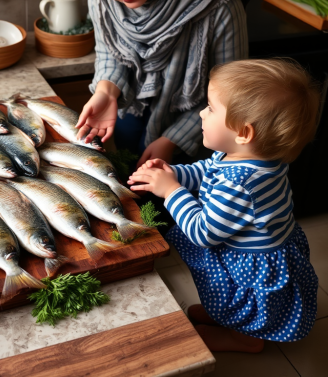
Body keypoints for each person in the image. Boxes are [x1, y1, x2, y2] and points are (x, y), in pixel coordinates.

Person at [127, 59, 320, 352]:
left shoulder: (240, 184)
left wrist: (171, 191)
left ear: (244, 132)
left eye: (211, 108)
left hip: (249, 264)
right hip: (258, 249)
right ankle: (228, 318)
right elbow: (207, 170)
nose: (202, 113)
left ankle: (245, 337)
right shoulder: (248, 156)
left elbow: (203, 231)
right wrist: (175, 173)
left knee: (241, 301)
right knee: (227, 299)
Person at [76, 0, 248, 166]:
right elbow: (109, 52)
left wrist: (173, 140)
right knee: (136, 200)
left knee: (170, 204)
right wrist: (106, 92)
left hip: (195, 130)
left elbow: (232, 94)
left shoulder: (219, 4)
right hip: (126, 111)